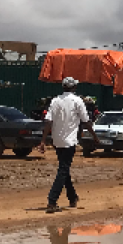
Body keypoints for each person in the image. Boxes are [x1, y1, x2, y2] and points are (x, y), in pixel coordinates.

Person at [38, 77, 95, 214]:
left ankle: (72, 197)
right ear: (74, 87)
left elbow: (48, 122)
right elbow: (86, 121)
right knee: (63, 170)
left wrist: (43, 141)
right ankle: (52, 201)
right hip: (69, 142)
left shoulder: (55, 101)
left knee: (64, 169)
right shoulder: (77, 101)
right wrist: (95, 136)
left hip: (57, 141)